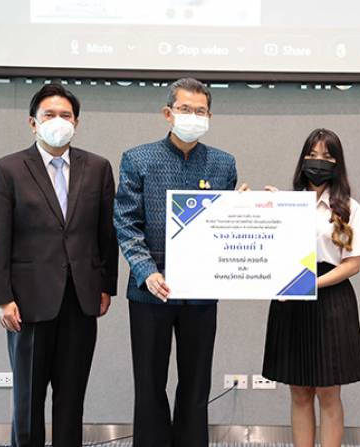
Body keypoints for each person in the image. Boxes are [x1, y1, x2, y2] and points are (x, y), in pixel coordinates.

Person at [0, 84, 118, 447]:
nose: (59, 121)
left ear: (77, 123)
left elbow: (107, 233)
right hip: (27, 303)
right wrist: (1, 298)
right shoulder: (7, 170)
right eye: (49, 115)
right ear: (33, 122)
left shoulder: (98, 168)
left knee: (71, 400)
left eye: (66, 116)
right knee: (28, 400)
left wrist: (107, 285)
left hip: (81, 299)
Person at [114, 78, 237, 447]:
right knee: (149, 383)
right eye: (185, 109)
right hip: (150, 291)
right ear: (168, 113)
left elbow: (225, 225)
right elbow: (126, 221)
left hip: (201, 293)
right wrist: (146, 271)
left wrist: (247, 208)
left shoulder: (223, 164)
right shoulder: (138, 159)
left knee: (197, 383)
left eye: (200, 111)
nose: (193, 116)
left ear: (209, 116)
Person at [262, 128, 360, 447]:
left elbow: (353, 264)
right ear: (302, 160)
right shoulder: (285, 203)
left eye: (326, 156)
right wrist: (254, 205)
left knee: (328, 391)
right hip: (290, 299)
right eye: (312, 154)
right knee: (298, 390)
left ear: (337, 163)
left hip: (332, 299)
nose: (318, 161)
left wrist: (312, 284)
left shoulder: (346, 208)